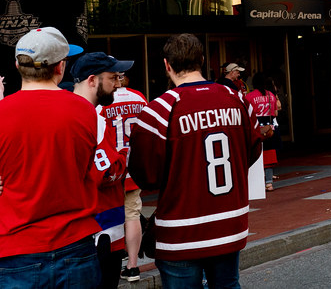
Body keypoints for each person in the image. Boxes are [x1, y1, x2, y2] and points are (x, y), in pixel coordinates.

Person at [129, 33, 264, 288]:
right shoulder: (235, 98)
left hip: (181, 230)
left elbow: (145, 174)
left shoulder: (159, 109)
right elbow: (253, 149)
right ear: (202, 60)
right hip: (229, 223)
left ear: (167, 65)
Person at [0, 27, 105, 286]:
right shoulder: (84, 110)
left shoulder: (2, 112)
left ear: (17, 65)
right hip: (75, 242)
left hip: (16, 248)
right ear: (61, 67)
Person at [72, 52, 133, 289]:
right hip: (97, 230)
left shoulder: (95, 114)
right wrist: (124, 158)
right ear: (92, 80)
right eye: (113, 78)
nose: (118, 84)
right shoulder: (88, 116)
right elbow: (104, 172)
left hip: (105, 227)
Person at [103, 73, 148, 283]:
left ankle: (108, 265)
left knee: (109, 217)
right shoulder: (138, 98)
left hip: (110, 168)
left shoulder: (101, 101)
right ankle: (132, 266)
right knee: (132, 214)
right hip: (133, 166)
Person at [246, 73, 282, 191]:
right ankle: (269, 183)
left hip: (256, 127)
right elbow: (275, 113)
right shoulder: (271, 95)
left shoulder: (250, 96)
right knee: (269, 154)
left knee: (255, 153)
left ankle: (257, 182)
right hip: (270, 127)